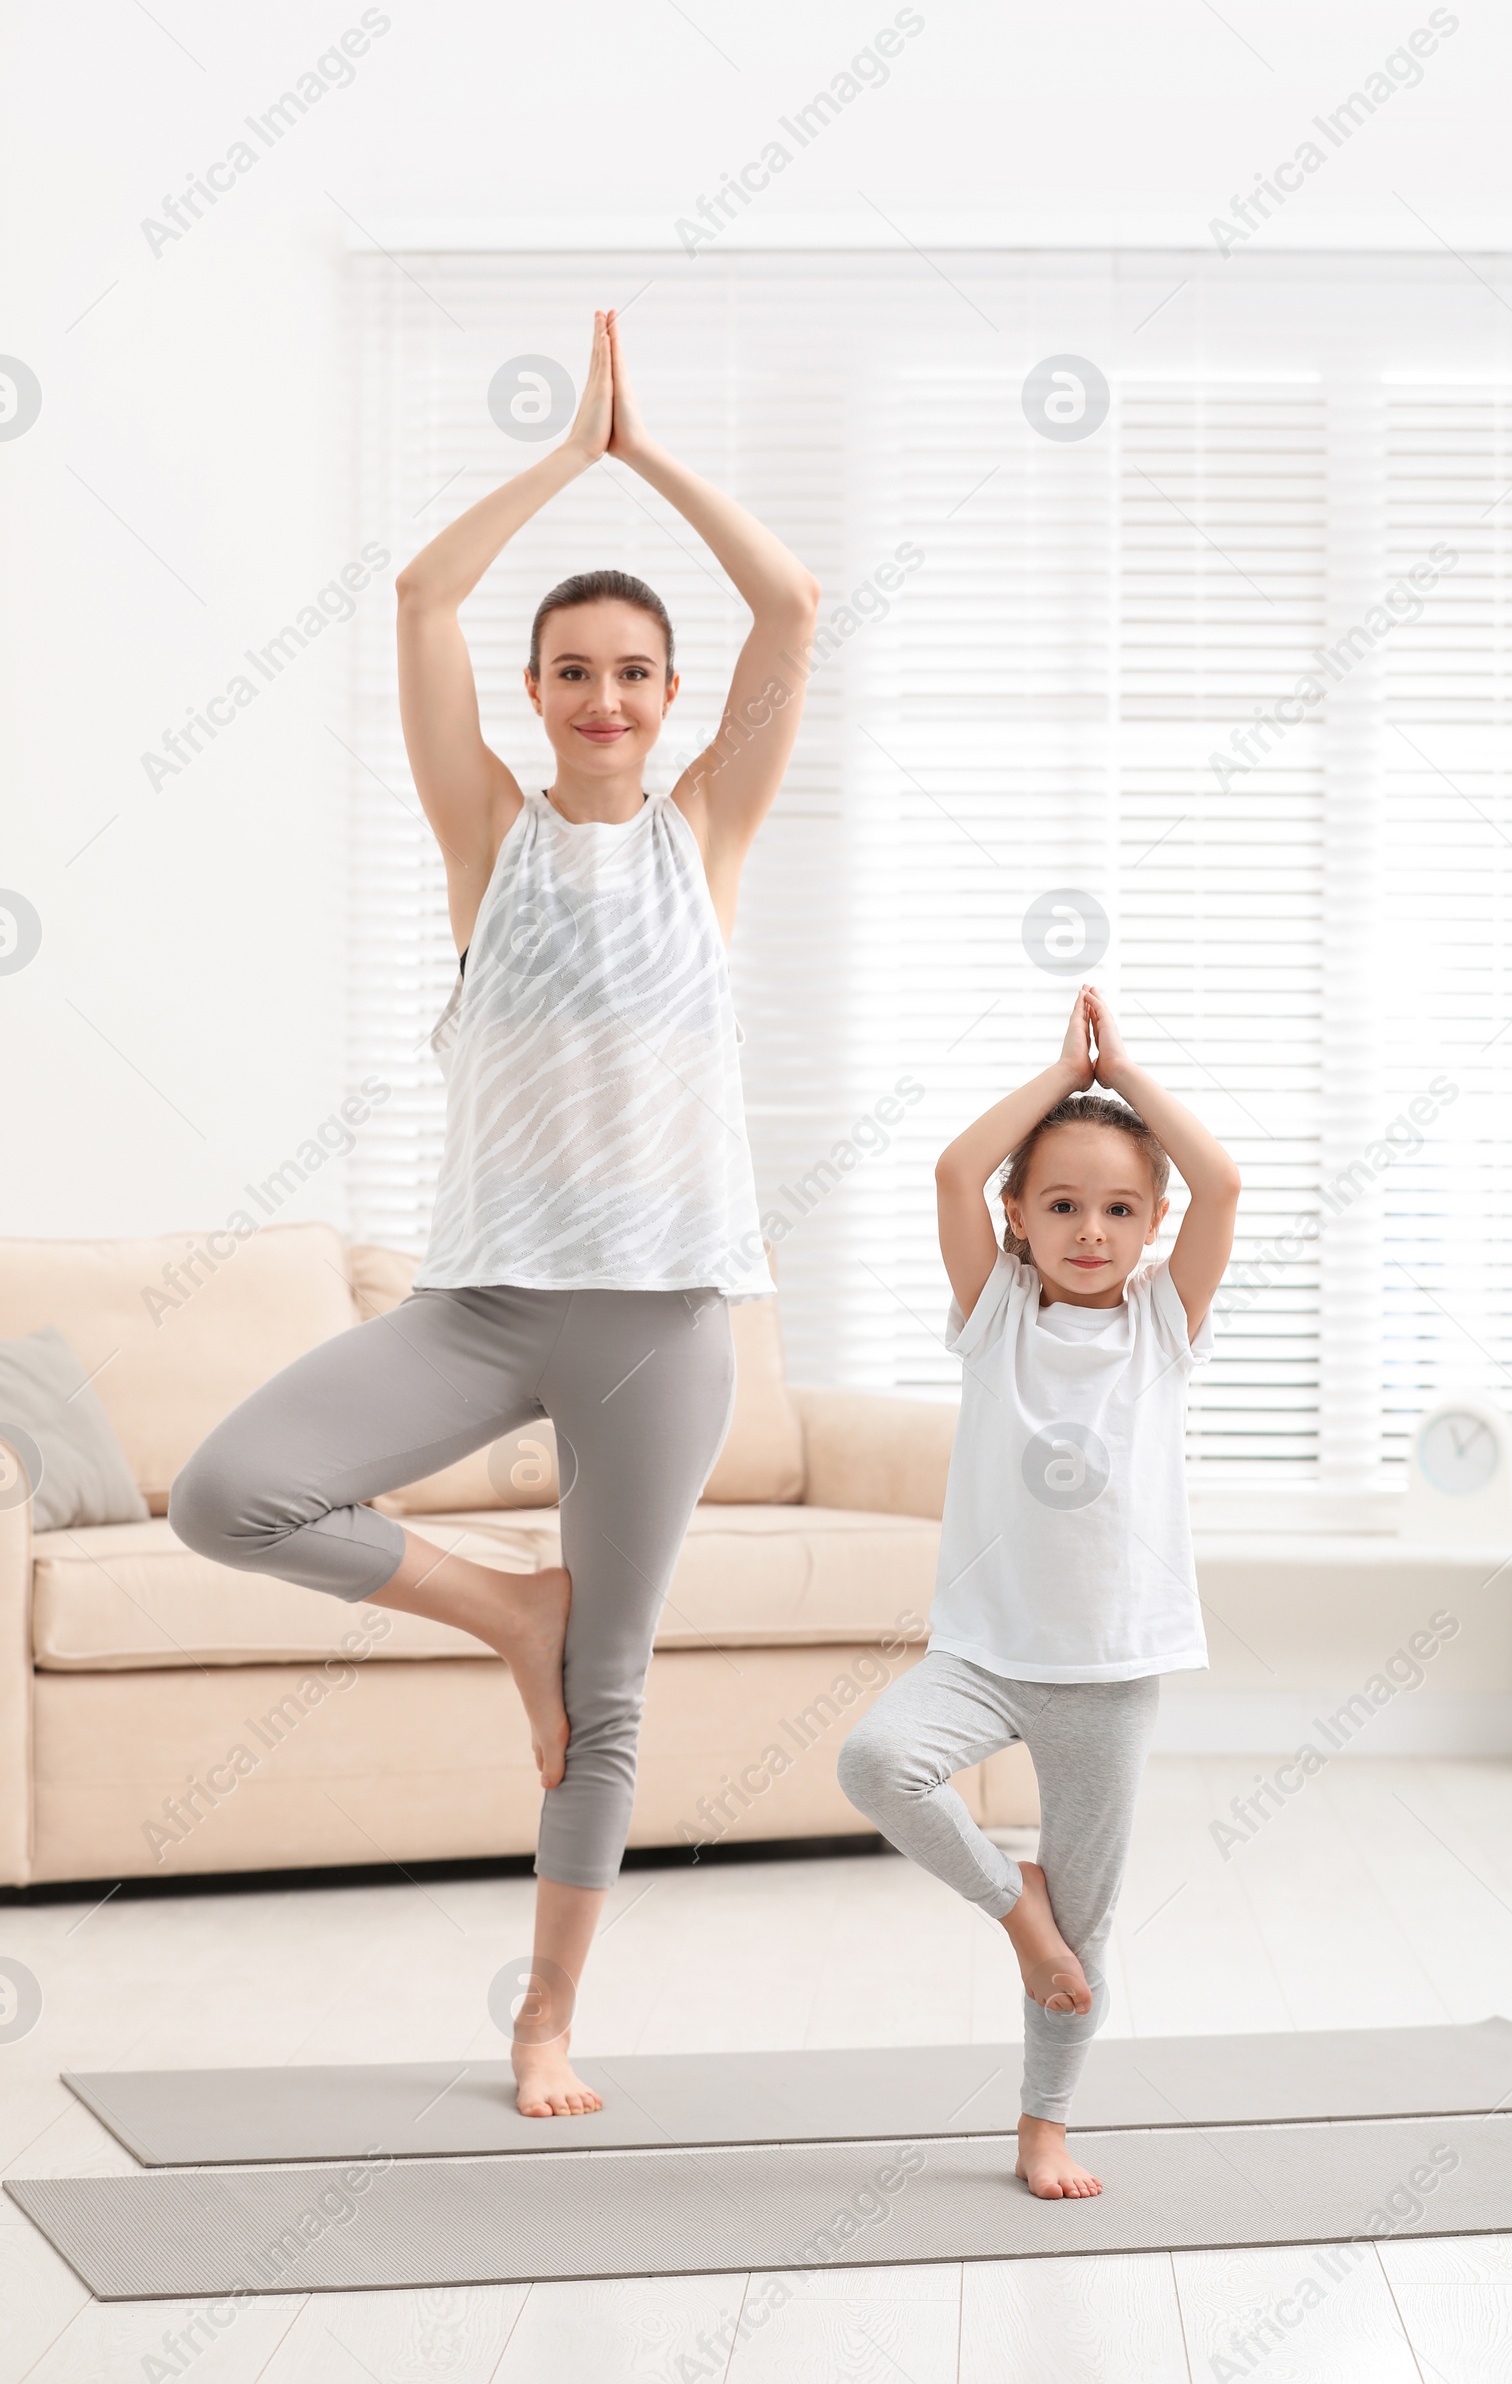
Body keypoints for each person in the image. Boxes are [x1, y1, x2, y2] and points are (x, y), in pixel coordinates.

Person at [169, 310, 820, 2116]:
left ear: (667, 701)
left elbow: (793, 611)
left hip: (662, 1320)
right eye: (571, 672)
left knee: (611, 1694)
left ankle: (544, 2019)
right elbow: (413, 606)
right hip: (485, 1302)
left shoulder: (710, 838)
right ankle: (506, 1613)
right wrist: (565, 457)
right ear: (532, 699)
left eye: (632, 673)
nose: (604, 698)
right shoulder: (487, 838)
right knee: (228, 1494)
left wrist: (651, 452)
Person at [837, 983, 1239, 2197]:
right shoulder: (995, 1312)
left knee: (1091, 1932)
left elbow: (1219, 1183)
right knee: (876, 1763)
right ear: (1016, 1218)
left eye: (1120, 1208)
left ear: (1151, 1222)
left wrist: (1132, 1073)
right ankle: (1013, 1906)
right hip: (983, 1649)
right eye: (1059, 1203)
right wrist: (1060, 1077)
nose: (1090, 1231)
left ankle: (1042, 2126)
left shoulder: (1162, 1323)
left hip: (1109, 1668)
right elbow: (956, 1166)